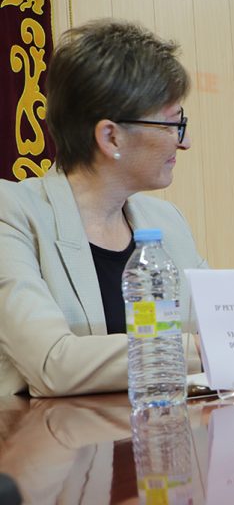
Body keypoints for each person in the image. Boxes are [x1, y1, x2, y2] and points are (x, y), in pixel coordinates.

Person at [0, 20, 206, 397]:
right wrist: (200, 350)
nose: (185, 142)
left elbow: (216, 325)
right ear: (111, 136)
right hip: (51, 447)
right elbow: (54, 364)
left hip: (158, 439)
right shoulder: (11, 213)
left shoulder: (167, 222)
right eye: (174, 125)